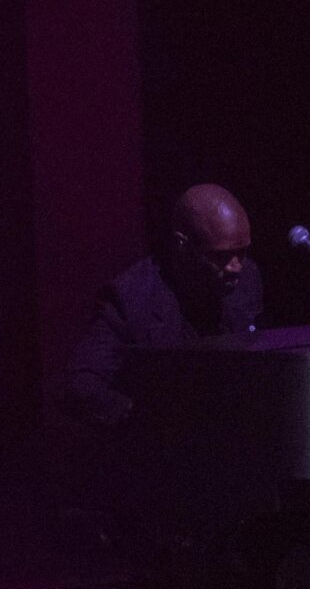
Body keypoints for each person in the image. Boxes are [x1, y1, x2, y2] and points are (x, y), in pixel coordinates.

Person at [62, 183, 261, 428]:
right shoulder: (131, 297)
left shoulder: (248, 279)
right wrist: (146, 418)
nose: (236, 267)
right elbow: (80, 385)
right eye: (220, 256)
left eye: (242, 253)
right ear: (181, 245)